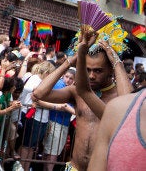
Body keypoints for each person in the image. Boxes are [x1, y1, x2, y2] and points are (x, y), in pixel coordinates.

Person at [32, 34, 133, 170]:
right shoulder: (77, 92)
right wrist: (71, 61)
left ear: (111, 70)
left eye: (98, 71)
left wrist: (115, 59)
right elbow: (39, 93)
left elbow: (129, 106)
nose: (91, 75)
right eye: (88, 70)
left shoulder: (118, 97)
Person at [88, 87, 146, 170]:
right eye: (89, 72)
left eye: (98, 72)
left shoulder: (120, 107)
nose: (92, 76)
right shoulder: (117, 108)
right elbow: (84, 91)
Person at [42, 67, 76, 171]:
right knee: (52, 153)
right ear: (63, 76)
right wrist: (75, 112)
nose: (68, 80)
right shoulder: (59, 85)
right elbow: (64, 104)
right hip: (55, 122)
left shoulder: (72, 88)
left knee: (53, 152)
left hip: (64, 124)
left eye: (71, 78)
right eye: (66, 77)